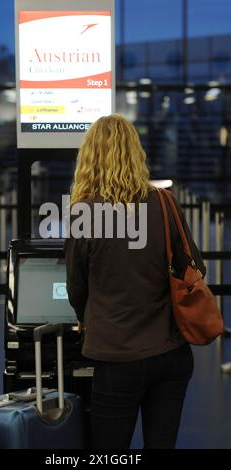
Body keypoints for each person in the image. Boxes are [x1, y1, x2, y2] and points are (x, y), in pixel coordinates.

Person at [65, 114, 206, 449]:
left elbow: (76, 286)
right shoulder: (165, 202)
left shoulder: (85, 212)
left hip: (117, 355)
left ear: (90, 157)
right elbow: (195, 266)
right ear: (135, 152)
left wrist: (86, 317)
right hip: (171, 352)